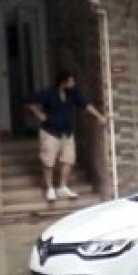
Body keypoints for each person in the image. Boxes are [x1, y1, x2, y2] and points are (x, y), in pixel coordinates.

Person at [28, 71, 107, 202]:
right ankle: (50, 188)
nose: (73, 84)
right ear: (63, 82)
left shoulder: (74, 94)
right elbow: (29, 101)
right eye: (70, 82)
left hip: (67, 132)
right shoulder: (48, 94)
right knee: (48, 160)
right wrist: (39, 115)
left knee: (68, 159)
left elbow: (86, 105)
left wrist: (99, 117)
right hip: (50, 131)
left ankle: (62, 186)